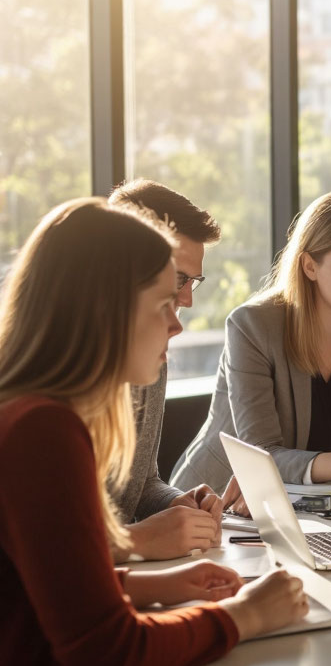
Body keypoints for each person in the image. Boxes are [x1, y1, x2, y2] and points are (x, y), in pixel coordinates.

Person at [0, 198, 309, 666]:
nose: (176, 323)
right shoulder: (43, 432)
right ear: (106, 313)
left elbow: (28, 587)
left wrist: (150, 587)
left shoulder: (26, 412)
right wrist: (248, 615)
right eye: (163, 303)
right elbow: (110, 656)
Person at [173, 191, 331, 492]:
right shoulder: (252, 327)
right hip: (217, 506)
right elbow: (261, 454)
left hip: (319, 506)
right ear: (309, 266)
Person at [107, 179, 227, 560]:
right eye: (178, 279)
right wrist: (139, 540)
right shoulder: (53, 390)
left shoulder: (152, 357)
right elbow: (50, 547)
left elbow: (141, 487)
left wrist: (179, 503)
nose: (187, 300)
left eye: (194, 281)